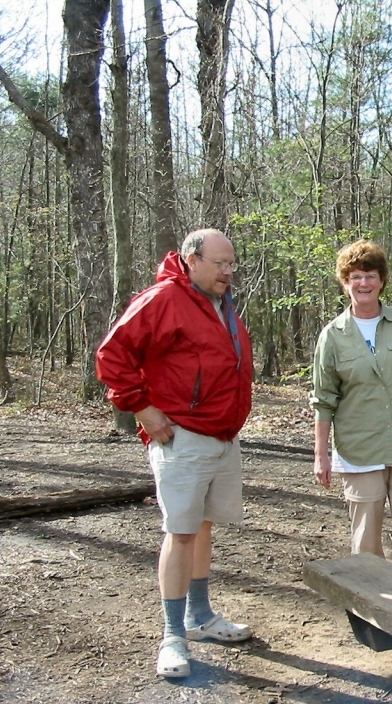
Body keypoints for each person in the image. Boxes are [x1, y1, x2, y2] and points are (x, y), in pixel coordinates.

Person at [96, 228, 255, 679]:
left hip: (221, 437)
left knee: (202, 527)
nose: (229, 271)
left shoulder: (218, 303)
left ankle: (199, 617)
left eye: (231, 263)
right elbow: (112, 356)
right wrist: (143, 410)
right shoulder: (164, 298)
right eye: (220, 263)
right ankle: (173, 637)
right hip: (182, 438)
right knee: (181, 533)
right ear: (192, 260)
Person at [311, 239, 392, 581]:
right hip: (358, 450)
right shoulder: (333, 336)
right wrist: (321, 454)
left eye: (370, 275)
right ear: (345, 282)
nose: (364, 283)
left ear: (382, 280)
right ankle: (375, 611)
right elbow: (324, 399)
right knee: (365, 542)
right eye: (355, 276)